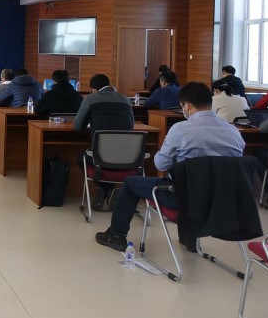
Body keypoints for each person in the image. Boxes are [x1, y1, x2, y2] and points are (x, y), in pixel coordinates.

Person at [95, 82, 246, 252]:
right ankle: (189, 236)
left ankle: (116, 235)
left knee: (130, 183)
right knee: (197, 182)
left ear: (187, 106)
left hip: (183, 201)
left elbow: (161, 164)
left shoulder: (180, 130)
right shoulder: (233, 132)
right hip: (223, 203)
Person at [74, 74, 134, 211]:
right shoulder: (125, 99)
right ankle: (111, 190)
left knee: (82, 158)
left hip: (100, 156)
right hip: (126, 156)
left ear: (94, 90)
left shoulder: (90, 99)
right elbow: (131, 126)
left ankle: (103, 187)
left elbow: (77, 126)